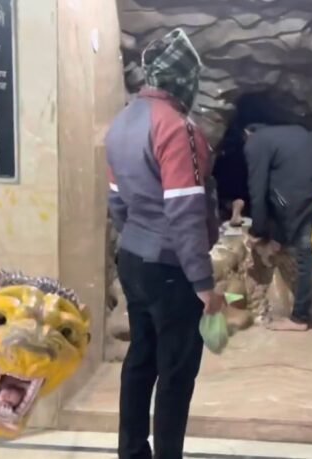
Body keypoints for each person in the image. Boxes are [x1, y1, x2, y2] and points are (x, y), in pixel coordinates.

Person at [105, 29, 225, 459]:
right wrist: (203, 282)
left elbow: (117, 202)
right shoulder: (177, 127)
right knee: (176, 372)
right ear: (184, 78)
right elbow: (185, 211)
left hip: (134, 257)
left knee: (141, 359)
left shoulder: (123, 121)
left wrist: (138, 237)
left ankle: (131, 452)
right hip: (171, 267)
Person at [244, 124, 312, 331]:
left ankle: (299, 318)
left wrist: (258, 232)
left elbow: (257, 189)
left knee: (305, 250)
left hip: (299, 192)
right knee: (308, 234)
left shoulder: (255, 141)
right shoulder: (291, 132)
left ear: (246, 134)